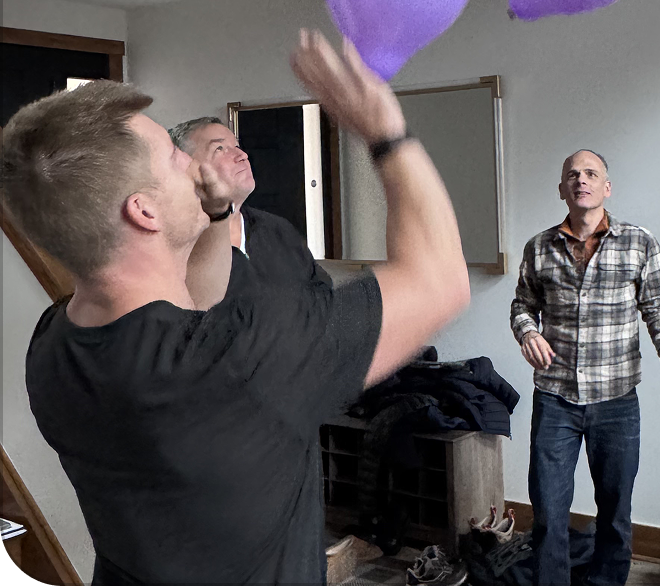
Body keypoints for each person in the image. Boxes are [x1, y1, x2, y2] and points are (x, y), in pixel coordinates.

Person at [0, 29, 471, 584]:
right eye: (177, 158)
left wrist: (215, 217)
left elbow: (195, 301)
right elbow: (440, 277)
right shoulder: (240, 359)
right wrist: (386, 133)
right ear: (144, 212)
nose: (197, 170)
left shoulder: (54, 344)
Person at [511, 150, 660, 586]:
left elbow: (657, 304)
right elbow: (522, 306)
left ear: (606, 187)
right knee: (549, 512)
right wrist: (528, 334)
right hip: (555, 398)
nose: (581, 180)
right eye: (572, 174)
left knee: (615, 511)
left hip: (617, 400)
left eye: (591, 174)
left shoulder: (639, 242)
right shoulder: (539, 247)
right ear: (561, 190)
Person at [167, 115, 332, 290]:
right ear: (185, 167)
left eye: (237, 146)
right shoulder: (173, 244)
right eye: (220, 148)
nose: (242, 155)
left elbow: (321, 293)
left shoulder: (277, 230)